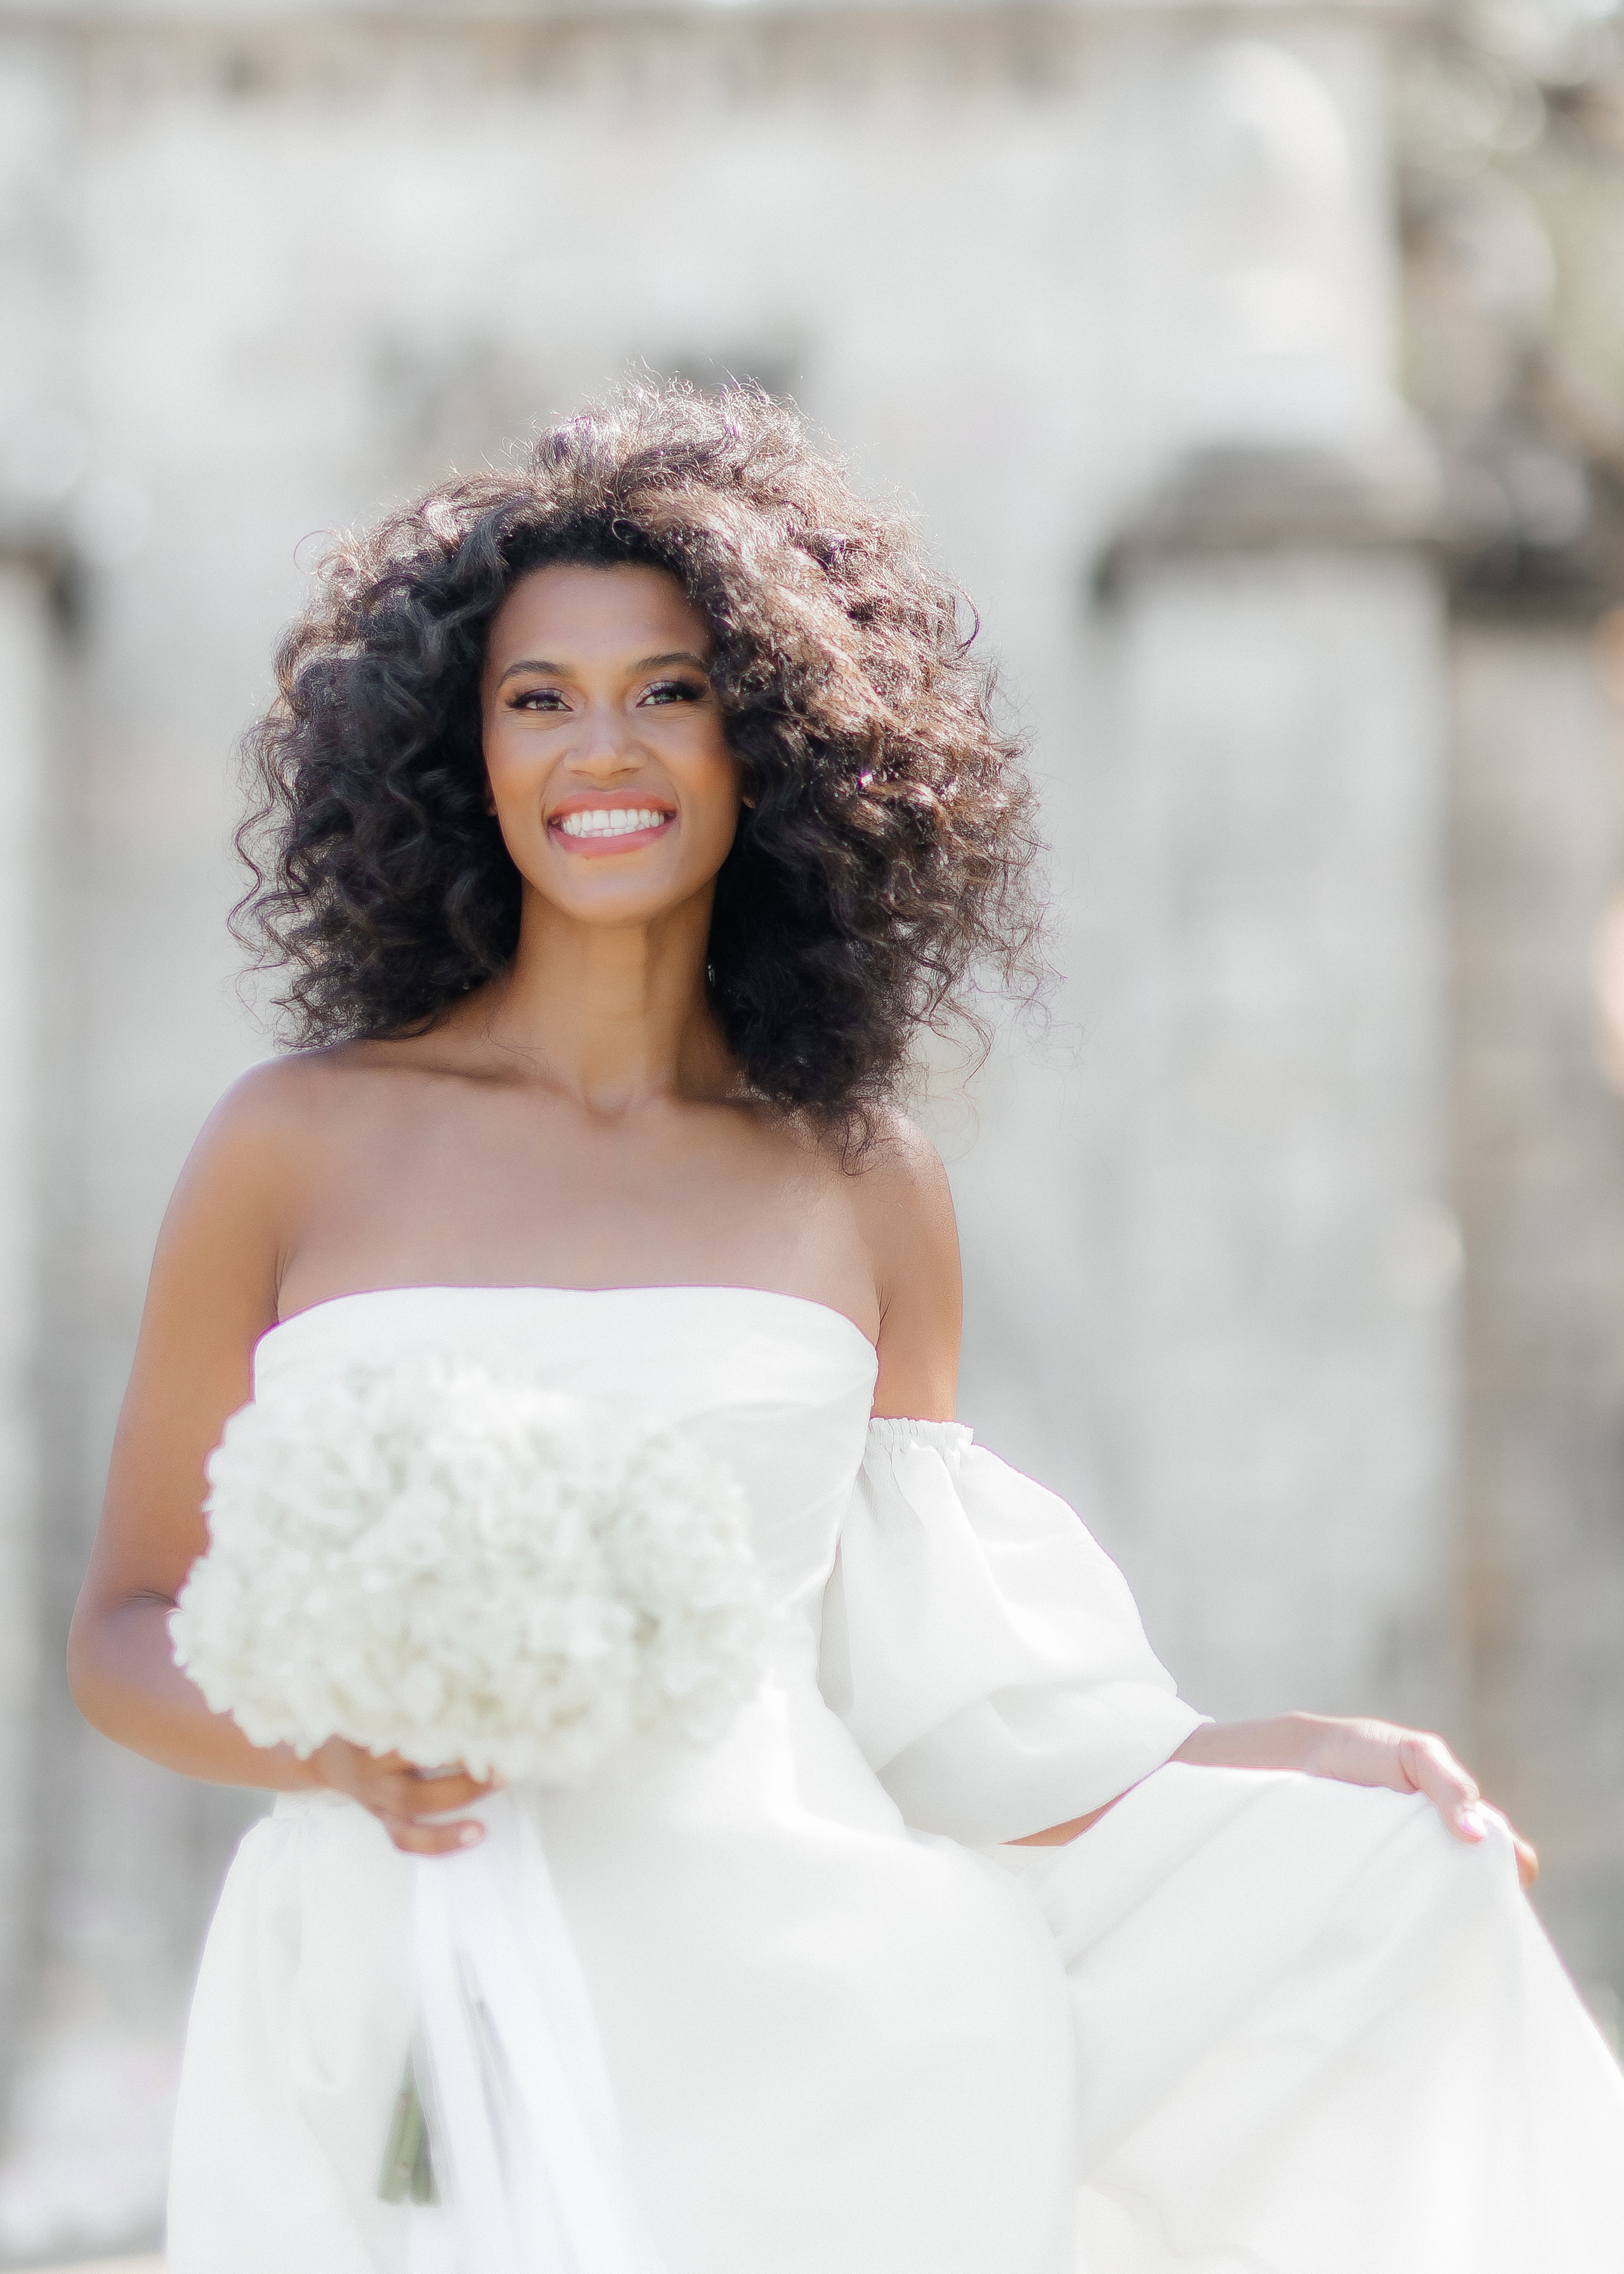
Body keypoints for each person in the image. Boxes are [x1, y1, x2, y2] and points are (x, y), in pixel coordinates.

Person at [70, 385, 1623, 2274]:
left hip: (830, 2052)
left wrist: (1283, 1757)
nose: (603, 748)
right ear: (456, 756)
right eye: (538, 698)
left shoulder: (865, 1186)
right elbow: (126, 1633)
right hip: (384, 2006)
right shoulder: (289, 1146)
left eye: (673, 690)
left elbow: (943, 1696)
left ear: (773, 747)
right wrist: (346, 1749)